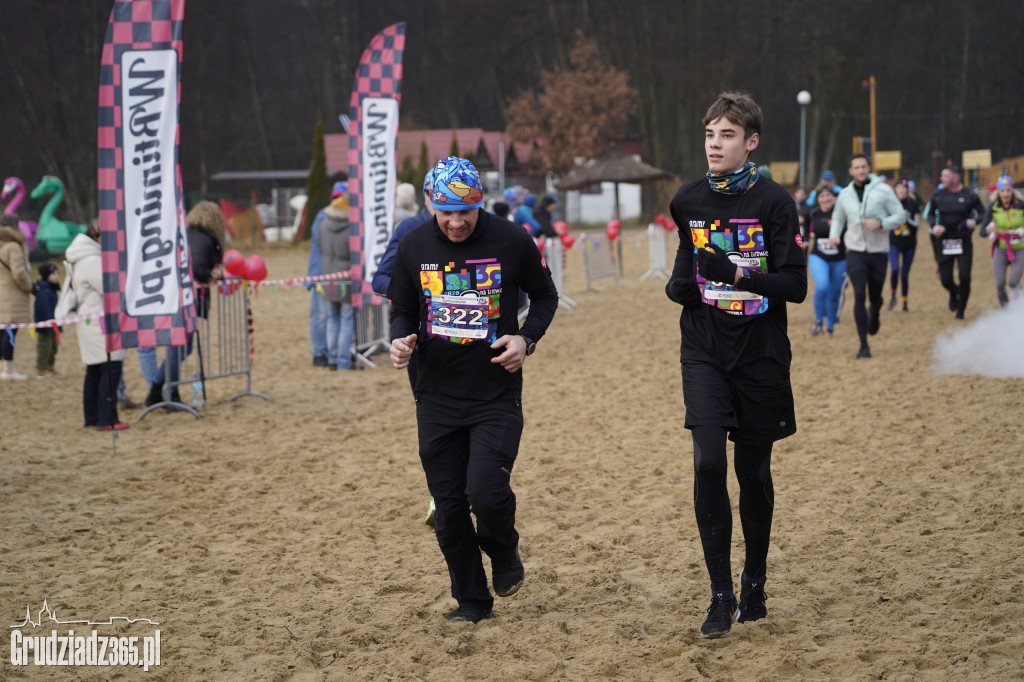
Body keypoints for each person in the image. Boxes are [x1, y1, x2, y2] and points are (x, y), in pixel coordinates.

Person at [388, 156, 559, 624]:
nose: (457, 221)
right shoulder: (413, 243)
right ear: (430, 203)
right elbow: (403, 308)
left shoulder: (510, 239)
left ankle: (504, 548)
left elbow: (546, 296)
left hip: (494, 392)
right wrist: (400, 340)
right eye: (446, 211)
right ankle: (471, 600)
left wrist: (526, 338)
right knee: (447, 509)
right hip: (435, 393)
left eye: (467, 210)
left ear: (480, 203)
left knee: (485, 493)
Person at [665, 92, 807, 639]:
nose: (715, 145)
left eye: (726, 135)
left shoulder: (775, 202)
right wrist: (682, 285)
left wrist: (738, 276)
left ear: (751, 142)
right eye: (709, 135)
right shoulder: (688, 200)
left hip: (760, 353)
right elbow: (688, 258)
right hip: (704, 349)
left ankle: (755, 580)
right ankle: (720, 595)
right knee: (706, 465)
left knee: (752, 473)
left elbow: (794, 286)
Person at [372, 169, 437, 526]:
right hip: (422, 343)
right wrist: (416, 289)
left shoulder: (474, 228)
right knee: (433, 423)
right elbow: (379, 278)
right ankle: (440, 497)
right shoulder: (408, 230)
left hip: (472, 343)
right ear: (427, 196)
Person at [143, 201, 225, 407]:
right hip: (186, 300)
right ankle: (167, 391)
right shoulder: (203, 239)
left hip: (178, 298)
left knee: (181, 347)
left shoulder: (188, 235)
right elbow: (196, 267)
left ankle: (158, 389)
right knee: (178, 347)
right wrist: (210, 275)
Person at [827, 154, 903, 358]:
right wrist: (834, 235)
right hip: (855, 250)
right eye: (856, 167)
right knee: (859, 293)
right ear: (851, 171)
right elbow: (837, 218)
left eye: (864, 166)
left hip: (878, 251)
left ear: (869, 168)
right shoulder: (845, 194)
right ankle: (863, 346)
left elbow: (900, 215)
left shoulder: (884, 190)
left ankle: (876, 311)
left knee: (875, 296)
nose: (861, 170)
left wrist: (882, 223)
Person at [66, 221, 127, 429]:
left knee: (95, 370)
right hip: (99, 320)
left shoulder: (84, 257)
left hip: (91, 319)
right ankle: (107, 419)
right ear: (99, 238)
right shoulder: (92, 260)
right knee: (110, 369)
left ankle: (93, 417)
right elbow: (109, 289)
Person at [925, 165, 984, 319]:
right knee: (945, 279)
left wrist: (975, 221)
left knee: (965, 276)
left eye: (945, 176)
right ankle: (953, 292)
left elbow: (983, 212)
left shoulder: (970, 195)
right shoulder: (938, 194)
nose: (941, 179)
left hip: (963, 240)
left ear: (955, 178)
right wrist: (934, 225)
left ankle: (961, 311)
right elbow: (930, 214)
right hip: (945, 241)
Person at [307, 181, 346, 368]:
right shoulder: (324, 216)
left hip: (328, 272)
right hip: (321, 272)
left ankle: (329, 353)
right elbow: (320, 245)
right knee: (321, 316)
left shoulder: (325, 215)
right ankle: (319, 352)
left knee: (328, 316)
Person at [319, 192, 355, 371]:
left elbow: (319, 246)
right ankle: (343, 361)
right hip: (346, 279)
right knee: (347, 320)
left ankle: (333, 358)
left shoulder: (323, 225)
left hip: (327, 276)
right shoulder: (351, 228)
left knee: (332, 319)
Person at [979, 176, 1024, 306]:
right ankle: (1005, 312)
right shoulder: (993, 207)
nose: (1005, 194)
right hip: (1001, 247)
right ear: (998, 192)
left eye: (1008, 191)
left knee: (1013, 281)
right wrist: (989, 230)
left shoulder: (1020, 204)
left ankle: (1019, 303)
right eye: (1002, 191)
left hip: (1020, 247)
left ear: (1012, 192)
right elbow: (981, 232)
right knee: (1000, 283)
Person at [806, 187, 844, 335]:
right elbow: (802, 228)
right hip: (818, 256)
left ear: (833, 198)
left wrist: (838, 225)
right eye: (822, 196)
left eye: (829, 196)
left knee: (835, 293)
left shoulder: (840, 213)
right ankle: (818, 321)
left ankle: (830, 324)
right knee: (822, 286)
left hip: (840, 259)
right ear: (818, 199)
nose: (826, 199)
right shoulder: (813, 213)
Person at [0, 213, 33, 381]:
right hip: (12, 295)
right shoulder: (13, 246)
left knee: (2, 332)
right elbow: (19, 272)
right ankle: (8, 370)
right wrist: (29, 286)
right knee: (10, 333)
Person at [887, 179, 922, 311]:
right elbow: (886, 222)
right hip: (893, 243)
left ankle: (905, 302)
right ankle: (892, 297)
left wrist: (907, 218)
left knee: (904, 274)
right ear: (895, 190)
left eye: (903, 188)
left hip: (909, 244)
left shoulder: (913, 204)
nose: (901, 190)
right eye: (898, 188)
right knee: (894, 269)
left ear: (907, 190)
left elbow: (916, 225)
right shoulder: (890, 204)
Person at [33, 263, 61, 377]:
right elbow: (44, 310)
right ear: (46, 275)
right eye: (53, 274)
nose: (57, 276)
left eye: (57, 273)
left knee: (53, 347)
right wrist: (49, 324)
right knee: (44, 347)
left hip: (54, 325)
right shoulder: (44, 291)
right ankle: (41, 369)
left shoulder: (52, 290)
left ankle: (50, 367)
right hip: (46, 327)